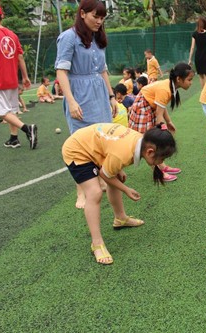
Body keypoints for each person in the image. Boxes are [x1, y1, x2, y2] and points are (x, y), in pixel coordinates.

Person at [62, 123, 177, 265]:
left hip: (94, 146)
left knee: (115, 177)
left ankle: (120, 218)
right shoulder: (123, 153)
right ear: (150, 152)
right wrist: (126, 189)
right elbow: (105, 174)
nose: (162, 162)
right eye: (162, 159)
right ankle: (97, 244)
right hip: (78, 150)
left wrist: (117, 170)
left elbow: (112, 151)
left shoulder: (139, 141)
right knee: (95, 193)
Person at [55, 0, 118, 209]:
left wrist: (111, 97)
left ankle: (100, 179)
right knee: (81, 141)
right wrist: (71, 100)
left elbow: (103, 70)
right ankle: (80, 189)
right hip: (79, 94)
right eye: (95, 16)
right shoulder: (68, 37)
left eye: (102, 18)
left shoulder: (98, 39)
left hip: (99, 93)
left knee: (102, 137)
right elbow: (61, 71)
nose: (99, 21)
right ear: (82, 14)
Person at [0, 3, 37, 149]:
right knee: (11, 110)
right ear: (2, 16)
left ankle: (27, 129)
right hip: (12, 79)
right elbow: (20, 57)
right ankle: (13, 138)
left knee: (1, 111)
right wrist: (25, 76)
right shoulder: (12, 35)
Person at [129, 62, 194, 181]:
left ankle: (161, 166)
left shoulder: (171, 87)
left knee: (152, 139)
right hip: (143, 107)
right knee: (148, 141)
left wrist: (168, 122)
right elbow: (159, 115)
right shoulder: (166, 89)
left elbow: (161, 108)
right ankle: (157, 171)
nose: (191, 82)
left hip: (149, 106)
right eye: (189, 80)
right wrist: (163, 130)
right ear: (179, 79)